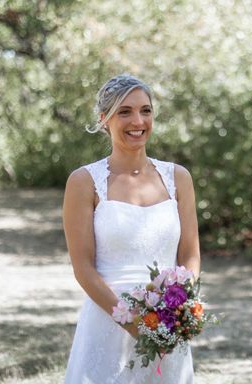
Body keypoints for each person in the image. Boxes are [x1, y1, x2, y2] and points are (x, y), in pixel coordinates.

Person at [63, 74, 200, 383]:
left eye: (145, 110)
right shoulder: (84, 182)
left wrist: (176, 311)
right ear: (104, 120)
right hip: (106, 320)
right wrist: (135, 322)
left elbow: (190, 255)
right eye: (124, 111)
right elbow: (83, 268)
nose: (137, 120)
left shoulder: (178, 178)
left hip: (167, 324)